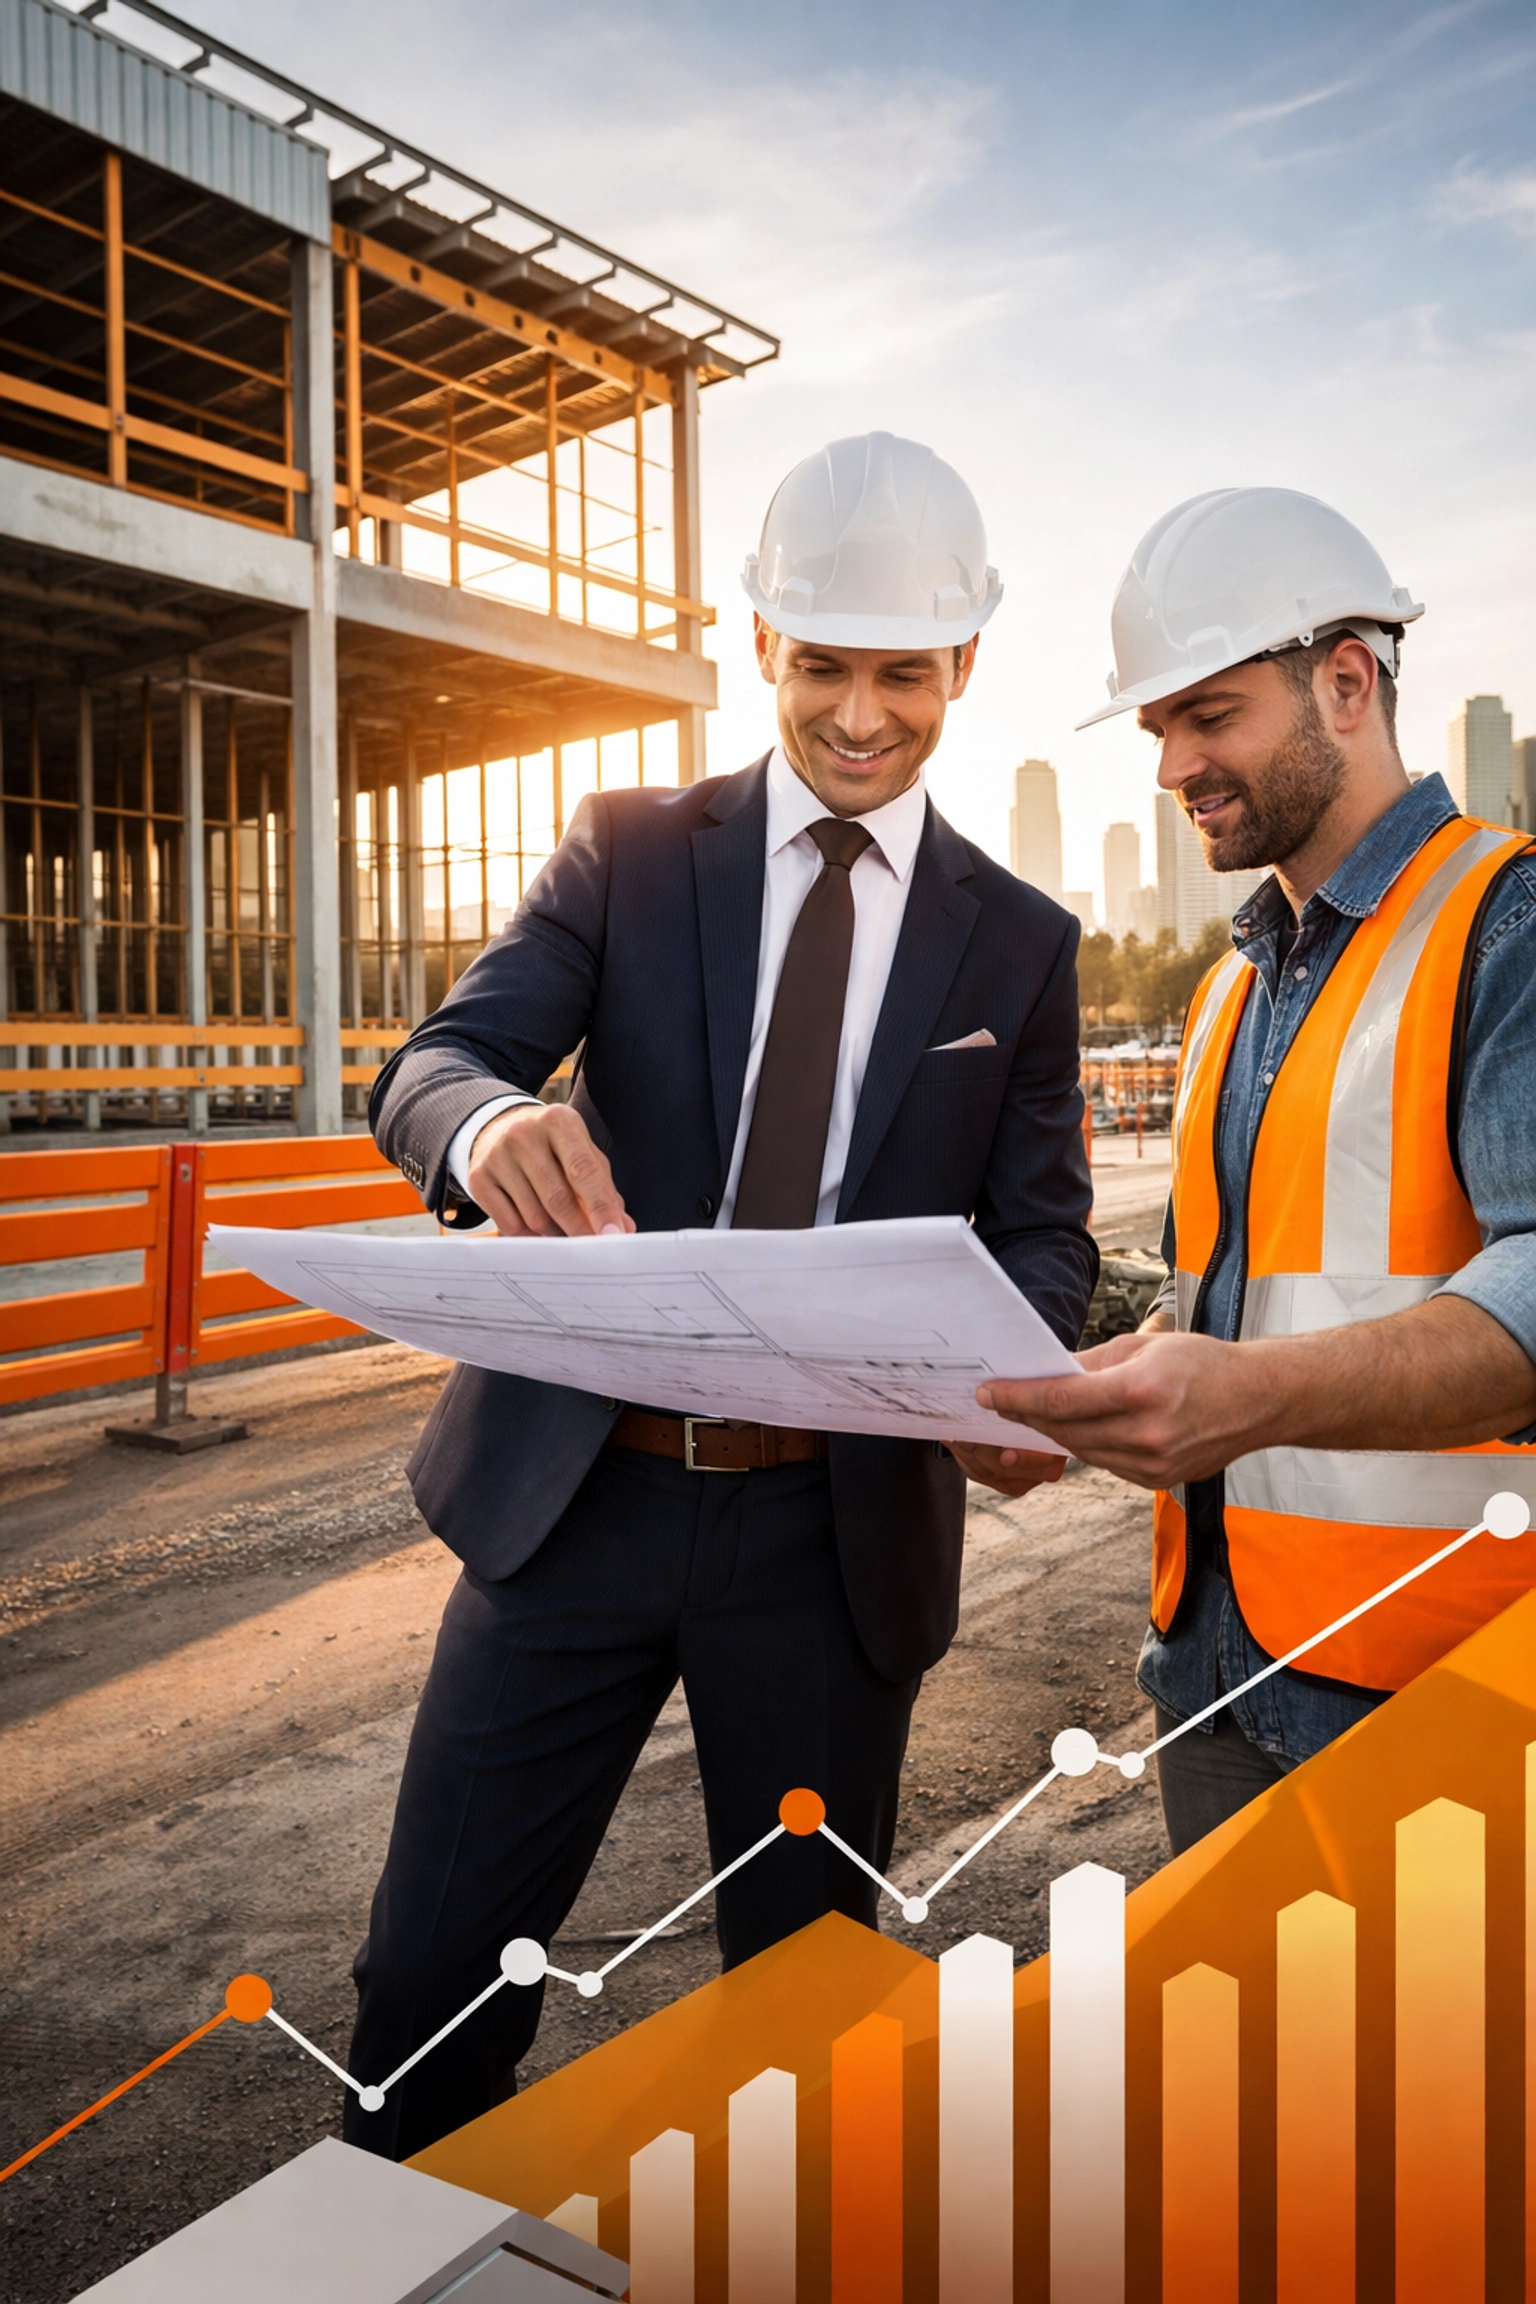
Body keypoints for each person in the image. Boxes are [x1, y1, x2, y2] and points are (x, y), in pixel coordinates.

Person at [348, 431, 1098, 2156]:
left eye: (900, 673)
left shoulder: (1022, 944)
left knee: (807, 2013)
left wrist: (1004, 1372)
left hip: (832, 1545)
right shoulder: (627, 849)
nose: (857, 715)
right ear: (760, 643)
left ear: (965, 665)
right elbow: (438, 1060)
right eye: (820, 665)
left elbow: (1045, 1235)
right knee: (430, 1991)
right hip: (573, 1502)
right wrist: (489, 1127)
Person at [980, 485, 1536, 1854]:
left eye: (1208, 714)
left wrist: (1252, 1395)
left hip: (1430, 1692)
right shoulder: (1238, 989)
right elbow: (1235, 1301)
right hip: (1215, 1674)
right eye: (1159, 726)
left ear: (1347, 683)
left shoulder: (1504, 924)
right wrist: (1094, 1391)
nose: (1170, 765)